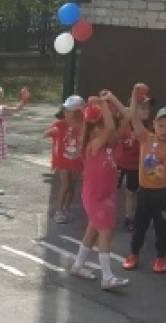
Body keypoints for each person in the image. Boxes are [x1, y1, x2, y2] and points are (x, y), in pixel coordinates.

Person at [70, 92, 129, 291]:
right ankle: (107, 276)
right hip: (96, 196)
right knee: (105, 233)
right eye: (103, 126)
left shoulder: (112, 143)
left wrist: (112, 98)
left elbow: (127, 117)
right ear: (95, 130)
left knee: (93, 231)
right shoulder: (93, 145)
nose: (109, 129)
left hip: (107, 194)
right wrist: (103, 103)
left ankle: (78, 265)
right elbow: (112, 126)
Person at [122, 90, 166, 274]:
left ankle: (161, 258)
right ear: (155, 124)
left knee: (162, 229)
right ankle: (133, 254)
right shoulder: (145, 138)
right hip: (145, 192)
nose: (164, 130)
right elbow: (133, 117)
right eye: (161, 125)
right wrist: (133, 94)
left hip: (163, 194)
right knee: (139, 226)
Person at [46, 95, 86, 223]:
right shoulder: (61, 124)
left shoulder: (84, 126)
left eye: (70, 111)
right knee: (65, 184)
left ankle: (66, 208)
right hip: (63, 160)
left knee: (72, 186)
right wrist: (53, 131)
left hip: (76, 161)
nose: (66, 113)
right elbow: (49, 132)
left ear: (79, 113)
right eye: (66, 110)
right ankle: (58, 210)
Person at [115, 90, 149, 230]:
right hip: (118, 163)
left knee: (130, 192)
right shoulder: (123, 123)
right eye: (142, 108)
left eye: (148, 108)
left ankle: (129, 217)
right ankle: (105, 214)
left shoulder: (148, 128)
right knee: (110, 189)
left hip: (134, 166)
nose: (147, 110)